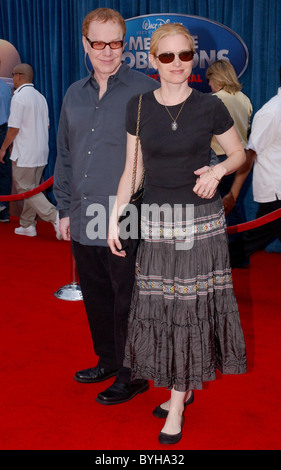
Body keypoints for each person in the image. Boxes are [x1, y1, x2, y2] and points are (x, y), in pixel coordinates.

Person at [108, 23, 247, 445]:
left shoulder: (210, 106)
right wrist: (116, 218)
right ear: (152, 60)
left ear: (194, 58)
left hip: (200, 226)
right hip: (155, 224)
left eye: (184, 56)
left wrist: (220, 169)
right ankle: (179, 389)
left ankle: (177, 401)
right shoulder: (137, 106)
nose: (176, 65)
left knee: (188, 312)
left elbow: (239, 153)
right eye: (166, 57)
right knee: (164, 310)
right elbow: (133, 172)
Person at [53, 8, 159, 405]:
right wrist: (63, 208)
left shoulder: (145, 89)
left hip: (126, 214)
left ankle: (134, 373)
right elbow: (64, 153)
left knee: (128, 298)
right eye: (99, 43)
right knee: (96, 295)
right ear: (85, 44)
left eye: (115, 43)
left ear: (124, 44)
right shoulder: (73, 93)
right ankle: (109, 360)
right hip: (82, 213)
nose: (108, 52)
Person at [0, 63, 61, 239]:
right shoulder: (40, 97)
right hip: (41, 152)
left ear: (19, 76)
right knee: (33, 189)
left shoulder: (19, 98)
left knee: (25, 188)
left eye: (13, 75)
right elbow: (47, 125)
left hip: (25, 153)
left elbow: (13, 129)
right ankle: (27, 225)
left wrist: (3, 148)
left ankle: (54, 216)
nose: (12, 79)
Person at [227, 68, 281, 259]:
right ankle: (216, 266)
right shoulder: (271, 113)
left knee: (252, 240)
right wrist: (233, 194)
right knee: (251, 241)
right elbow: (249, 155)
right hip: (276, 194)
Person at [206, 60, 253, 267]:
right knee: (235, 206)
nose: (209, 85)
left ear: (217, 78)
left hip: (221, 160)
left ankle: (222, 258)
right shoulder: (245, 100)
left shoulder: (214, 100)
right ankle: (240, 256)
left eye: (210, 80)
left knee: (217, 210)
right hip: (241, 161)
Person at [0, 78, 12, 222]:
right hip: (4, 131)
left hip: (4, 130)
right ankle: (3, 212)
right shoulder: (5, 86)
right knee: (4, 172)